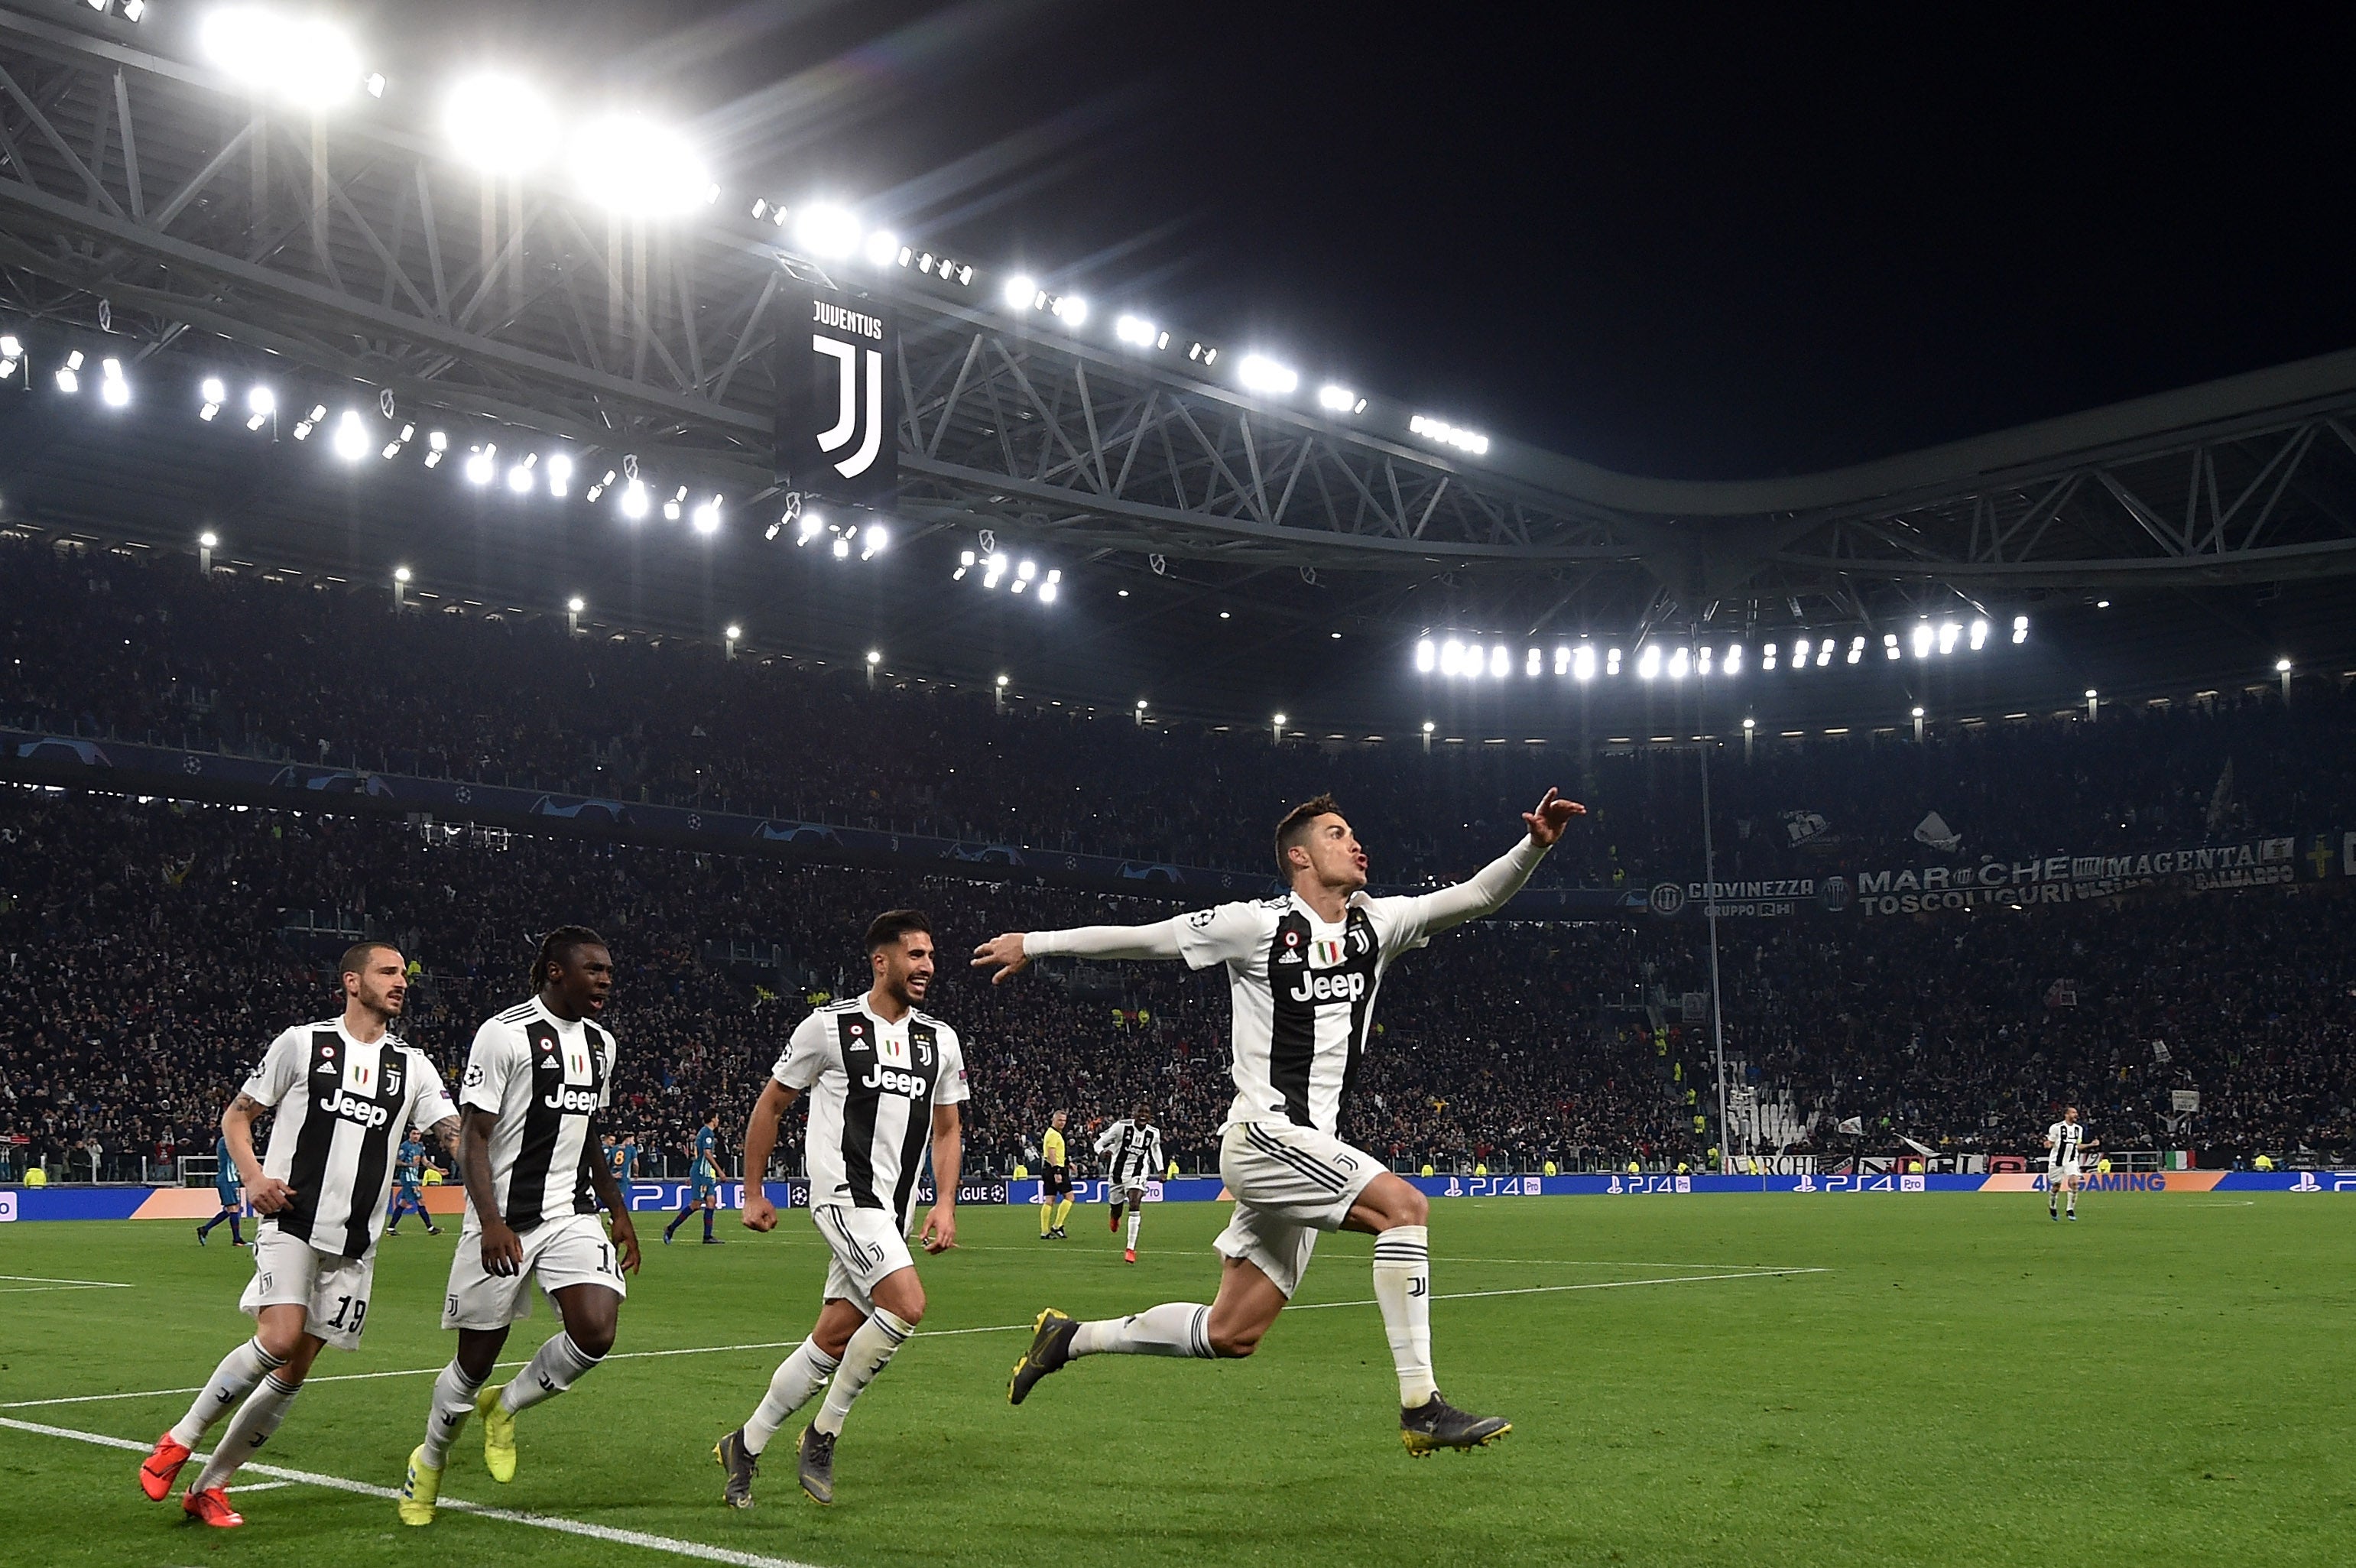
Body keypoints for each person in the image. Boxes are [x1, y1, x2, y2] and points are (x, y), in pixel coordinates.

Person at [978, 789, 1582, 1454]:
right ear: (1300, 855)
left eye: (1354, 833)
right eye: (1336, 833)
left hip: (1309, 1150)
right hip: (1264, 1136)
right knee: (1404, 1208)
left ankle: (1070, 1337)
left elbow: (1476, 896)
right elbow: (1147, 940)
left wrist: (1535, 845)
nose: (1356, 843)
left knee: (1231, 1332)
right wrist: (1034, 943)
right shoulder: (1256, 925)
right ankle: (1421, 1404)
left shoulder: (1377, 924)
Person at [139, 943, 459, 1528]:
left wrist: (498, 1161)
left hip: (357, 1243)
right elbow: (237, 1116)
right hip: (292, 1219)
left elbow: (451, 1132)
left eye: (403, 974)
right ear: (352, 981)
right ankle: (178, 1439)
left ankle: (210, 1486)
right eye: (387, 972)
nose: (401, 982)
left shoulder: (413, 1065)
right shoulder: (302, 1043)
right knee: (279, 1338)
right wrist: (255, 1176)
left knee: (292, 1373)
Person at [714, 910, 966, 1508]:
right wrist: (753, 1191)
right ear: (881, 961)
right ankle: (824, 1433)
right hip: (843, 1196)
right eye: (915, 954)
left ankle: (744, 1445)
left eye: (931, 955)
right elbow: (770, 1106)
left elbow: (949, 1128)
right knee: (907, 1303)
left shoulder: (941, 1040)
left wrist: (946, 1201)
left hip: (893, 1211)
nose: (927, 965)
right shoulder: (829, 1027)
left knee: (832, 1336)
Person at [395, 926, 641, 1526]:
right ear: (556, 971)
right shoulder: (504, 1034)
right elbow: (475, 1135)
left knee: (597, 1331)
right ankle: (427, 1464)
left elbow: (587, 1137)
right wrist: (490, 1223)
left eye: (609, 969)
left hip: (569, 1214)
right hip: (504, 1219)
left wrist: (617, 1207)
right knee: (472, 1360)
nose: (605, 979)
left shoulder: (603, 1045)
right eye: (593, 968)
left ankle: (505, 1406)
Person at [1095, 1102, 1166, 1262]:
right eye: (1140, 1111)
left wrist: (1161, 1169)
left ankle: (1130, 1249)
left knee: (1135, 1203)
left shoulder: (1153, 1133)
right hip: (1117, 1175)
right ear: (1133, 1113)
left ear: (1150, 1116)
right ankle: (1114, 1217)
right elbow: (1099, 1143)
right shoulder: (1120, 1127)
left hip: (1138, 1174)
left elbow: (1155, 1149)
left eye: (1146, 1112)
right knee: (1116, 1209)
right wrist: (1101, 1152)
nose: (1143, 1115)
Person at [665, 1110, 726, 1245]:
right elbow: (707, 1154)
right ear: (712, 1119)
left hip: (705, 1172)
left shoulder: (703, 1132)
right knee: (696, 1205)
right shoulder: (708, 1133)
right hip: (702, 1173)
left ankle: (707, 1236)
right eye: (717, 1118)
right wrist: (720, 1171)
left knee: (711, 1201)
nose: (718, 1120)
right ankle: (670, 1228)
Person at [194, 1129, 246, 1248]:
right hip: (226, 1179)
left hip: (232, 1179)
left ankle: (205, 1229)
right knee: (232, 1208)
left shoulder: (231, 1141)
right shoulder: (225, 1141)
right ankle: (236, 1239)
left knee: (232, 1209)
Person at [2044, 1104, 2097, 1221]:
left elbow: (2077, 1146)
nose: (2076, 1115)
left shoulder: (2079, 1129)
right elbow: (2051, 1142)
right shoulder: (2056, 1127)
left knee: (2074, 1183)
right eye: (2073, 1113)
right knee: (2056, 1186)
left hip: (2071, 1160)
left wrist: (2090, 1145)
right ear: (2066, 1114)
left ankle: (2070, 1210)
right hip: (2057, 1161)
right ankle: (2052, 1206)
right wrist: (2048, 1144)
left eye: (2076, 1113)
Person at [385, 1129, 442, 1235]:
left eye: (418, 1134)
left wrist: (438, 1170)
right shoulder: (405, 1146)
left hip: (414, 1177)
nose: (416, 1136)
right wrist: (409, 1165)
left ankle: (391, 1228)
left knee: (403, 1203)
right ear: (410, 1135)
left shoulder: (420, 1146)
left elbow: (425, 1162)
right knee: (421, 1201)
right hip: (407, 1178)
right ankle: (430, 1228)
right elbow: (397, 1161)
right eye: (414, 1134)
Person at [1038, 1109, 1073, 1240]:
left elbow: (1058, 1153)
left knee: (1049, 1200)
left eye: (1064, 1120)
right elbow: (1051, 1153)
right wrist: (1057, 1171)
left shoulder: (1055, 1133)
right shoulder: (1053, 1134)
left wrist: (1068, 1162)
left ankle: (1044, 1232)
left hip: (1049, 1169)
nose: (1062, 1123)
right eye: (1060, 1120)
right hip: (1055, 1169)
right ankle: (1057, 1225)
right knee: (1070, 1197)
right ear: (1054, 1120)